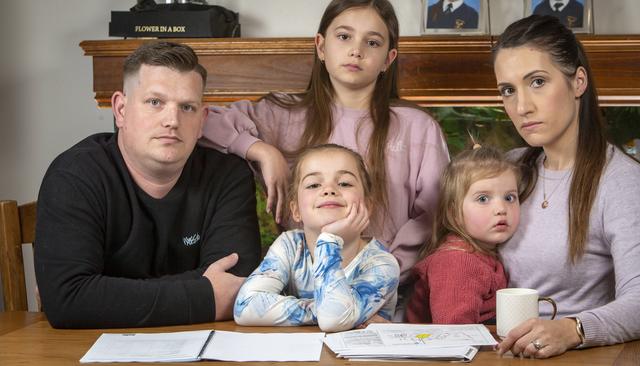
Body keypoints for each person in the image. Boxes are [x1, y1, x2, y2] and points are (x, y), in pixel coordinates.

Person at [200, 0, 450, 290]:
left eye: (372, 42)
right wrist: (261, 150)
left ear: (388, 58)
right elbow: (196, 122)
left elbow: (434, 215)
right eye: (344, 37)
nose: (356, 50)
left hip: (385, 290)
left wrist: (381, 273)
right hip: (302, 292)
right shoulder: (280, 114)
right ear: (321, 46)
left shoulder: (417, 126)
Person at [34, 41, 261, 328]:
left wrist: (104, 293)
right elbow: (68, 301)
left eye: (187, 107)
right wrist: (202, 294)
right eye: (155, 102)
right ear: (120, 109)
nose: (172, 120)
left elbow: (235, 286)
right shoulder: (75, 176)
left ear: (202, 120)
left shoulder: (228, 176)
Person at [492, 15, 640, 358]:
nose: (521, 107)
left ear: (578, 82)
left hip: (581, 357)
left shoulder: (622, 181)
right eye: (508, 90)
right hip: (500, 354)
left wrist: (573, 328)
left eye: (537, 82)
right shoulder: (510, 170)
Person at [234, 144, 400, 332]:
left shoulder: (382, 264)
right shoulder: (290, 246)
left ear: (368, 206)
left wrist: (329, 240)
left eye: (344, 183)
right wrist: (319, 309)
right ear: (296, 210)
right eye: (314, 185)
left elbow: (333, 321)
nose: (329, 190)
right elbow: (245, 306)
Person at [406, 145, 519, 324]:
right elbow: (455, 334)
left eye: (509, 198)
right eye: (483, 199)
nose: (501, 209)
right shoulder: (458, 261)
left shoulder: (482, 252)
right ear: (454, 213)